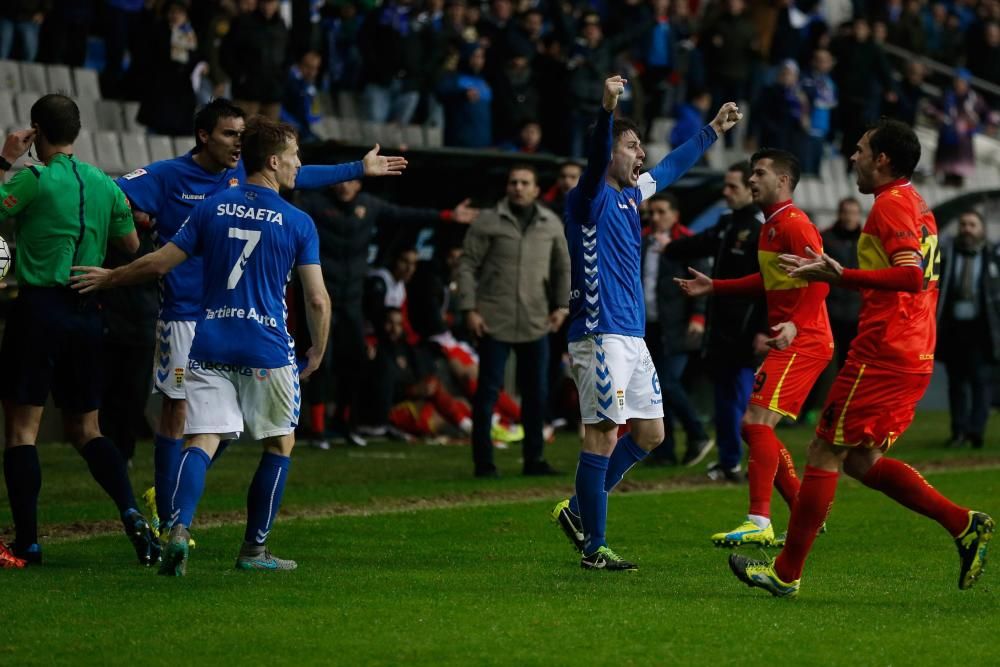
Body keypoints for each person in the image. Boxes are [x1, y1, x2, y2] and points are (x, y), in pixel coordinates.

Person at [114, 98, 407, 539]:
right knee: (183, 417)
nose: (238, 142)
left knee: (217, 429)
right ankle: (169, 509)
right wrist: (127, 226)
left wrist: (357, 169)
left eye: (241, 135)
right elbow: (112, 193)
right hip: (185, 315)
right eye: (231, 134)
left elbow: (299, 173)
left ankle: (173, 502)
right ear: (204, 136)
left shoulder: (239, 179)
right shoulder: (167, 175)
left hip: (219, 320)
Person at [730, 119, 994, 597]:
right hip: (913, 349)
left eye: (860, 149)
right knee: (860, 460)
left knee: (823, 450)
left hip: (885, 351)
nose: (852, 157)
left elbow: (910, 276)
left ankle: (785, 574)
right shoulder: (914, 202)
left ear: (883, 159)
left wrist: (841, 274)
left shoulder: (891, 207)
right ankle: (963, 523)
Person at [72, 117, 331, 575]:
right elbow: (316, 298)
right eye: (294, 156)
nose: (298, 165)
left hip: (209, 339)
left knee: (202, 438)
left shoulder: (213, 207)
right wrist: (317, 350)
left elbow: (158, 262)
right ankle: (254, 551)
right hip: (265, 347)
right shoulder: (298, 221)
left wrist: (110, 277)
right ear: (273, 161)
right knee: (279, 444)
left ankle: (178, 528)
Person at [551, 75, 742, 571]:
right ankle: (595, 546)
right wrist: (608, 109)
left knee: (652, 433)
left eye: (640, 147)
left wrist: (712, 131)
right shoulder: (588, 196)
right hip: (599, 331)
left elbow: (671, 167)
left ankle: (578, 509)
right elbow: (597, 155)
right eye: (632, 146)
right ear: (611, 152)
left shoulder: (631, 196)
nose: (641, 155)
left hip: (632, 336)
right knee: (603, 434)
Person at [0, 94, 159, 567]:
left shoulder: (33, 178)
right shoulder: (104, 184)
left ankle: (27, 541)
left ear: (35, 131)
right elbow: (130, 244)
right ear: (77, 131)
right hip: (89, 310)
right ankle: (131, 512)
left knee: (21, 430)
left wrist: (4, 159)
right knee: (87, 428)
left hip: (39, 308)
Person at [677, 149, 833, 548]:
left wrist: (796, 324)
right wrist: (715, 286)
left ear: (782, 181)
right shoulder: (771, 227)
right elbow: (767, 281)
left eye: (759, 173)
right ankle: (804, 511)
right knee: (755, 426)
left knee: (754, 423)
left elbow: (822, 281)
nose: (751, 179)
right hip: (795, 337)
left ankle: (760, 518)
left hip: (805, 339)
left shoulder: (796, 225)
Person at [294, 179, 476, 447]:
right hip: (321, 296)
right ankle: (316, 430)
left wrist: (447, 215)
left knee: (355, 361)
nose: (345, 187)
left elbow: (405, 214)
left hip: (352, 300)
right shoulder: (314, 205)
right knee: (320, 362)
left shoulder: (369, 205)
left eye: (351, 181)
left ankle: (345, 423)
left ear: (359, 185)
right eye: (340, 182)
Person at [458, 164, 570, 477]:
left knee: (536, 395)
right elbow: (466, 265)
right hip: (494, 319)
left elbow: (563, 267)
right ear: (507, 188)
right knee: (487, 395)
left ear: (536, 189)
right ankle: (484, 462)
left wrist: (562, 306)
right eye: (513, 182)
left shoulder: (550, 223)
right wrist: (469, 308)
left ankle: (534, 460)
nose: (518, 187)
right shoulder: (488, 220)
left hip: (537, 320)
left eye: (525, 183)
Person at [663, 162, 768, 482]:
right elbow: (693, 244)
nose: (726, 192)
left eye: (733, 186)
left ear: (750, 189)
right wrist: (665, 243)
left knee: (741, 401)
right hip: (719, 327)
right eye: (726, 185)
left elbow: (770, 283)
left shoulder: (759, 228)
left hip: (745, 328)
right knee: (726, 399)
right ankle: (729, 461)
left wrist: (763, 327)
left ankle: (749, 463)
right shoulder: (727, 224)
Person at [640, 193, 713, 466]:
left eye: (661, 212)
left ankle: (697, 433)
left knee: (667, 384)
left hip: (678, 326)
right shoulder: (643, 240)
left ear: (674, 214)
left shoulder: (686, 240)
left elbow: (701, 281)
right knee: (654, 388)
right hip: (648, 325)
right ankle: (665, 451)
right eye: (652, 212)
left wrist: (698, 316)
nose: (655, 217)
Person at [937, 210, 1000, 449]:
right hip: (954, 329)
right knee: (956, 383)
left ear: (981, 229)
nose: (967, 229)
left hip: (982, 329)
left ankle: (976, 431)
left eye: (972, 224)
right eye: (963, 224)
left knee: (981, 382)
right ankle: (958, 431)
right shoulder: (947, 255)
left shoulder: (993, 255)